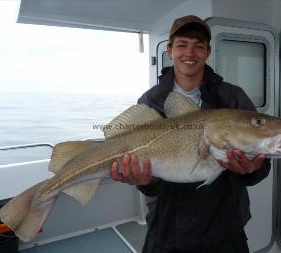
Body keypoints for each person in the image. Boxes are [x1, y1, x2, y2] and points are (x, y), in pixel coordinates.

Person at [110, 15, 270, 253]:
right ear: (170, 49)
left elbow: (261, 163)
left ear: (208, 52)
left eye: (198, 46)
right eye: (182, 44)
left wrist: (252, 170)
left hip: (224, 229)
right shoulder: (150, 101)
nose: (190, 53)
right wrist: (146, 182)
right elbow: (150, 179)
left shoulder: (232, 97)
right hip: (166, 229)